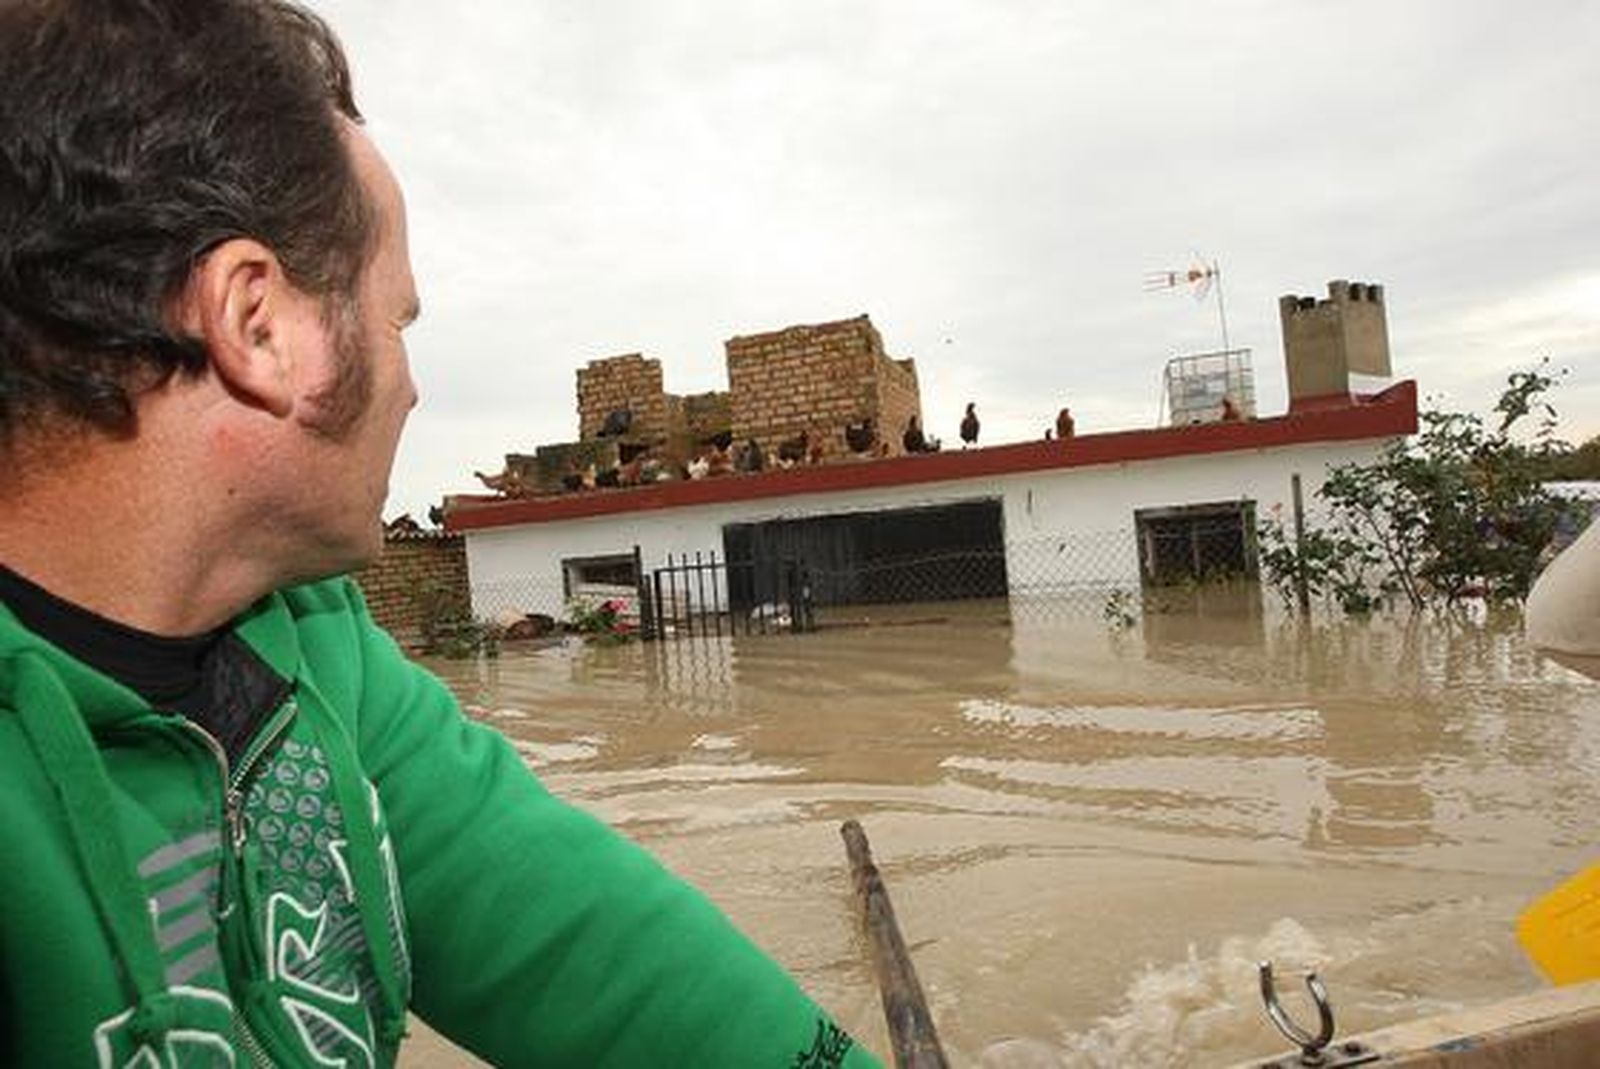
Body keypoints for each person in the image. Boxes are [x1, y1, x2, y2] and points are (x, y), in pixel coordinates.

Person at [0, 3, 880, 1067]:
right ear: (259, 326)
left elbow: (586, 944)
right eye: (396, 321)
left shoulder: (314, 650)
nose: (413, 387)